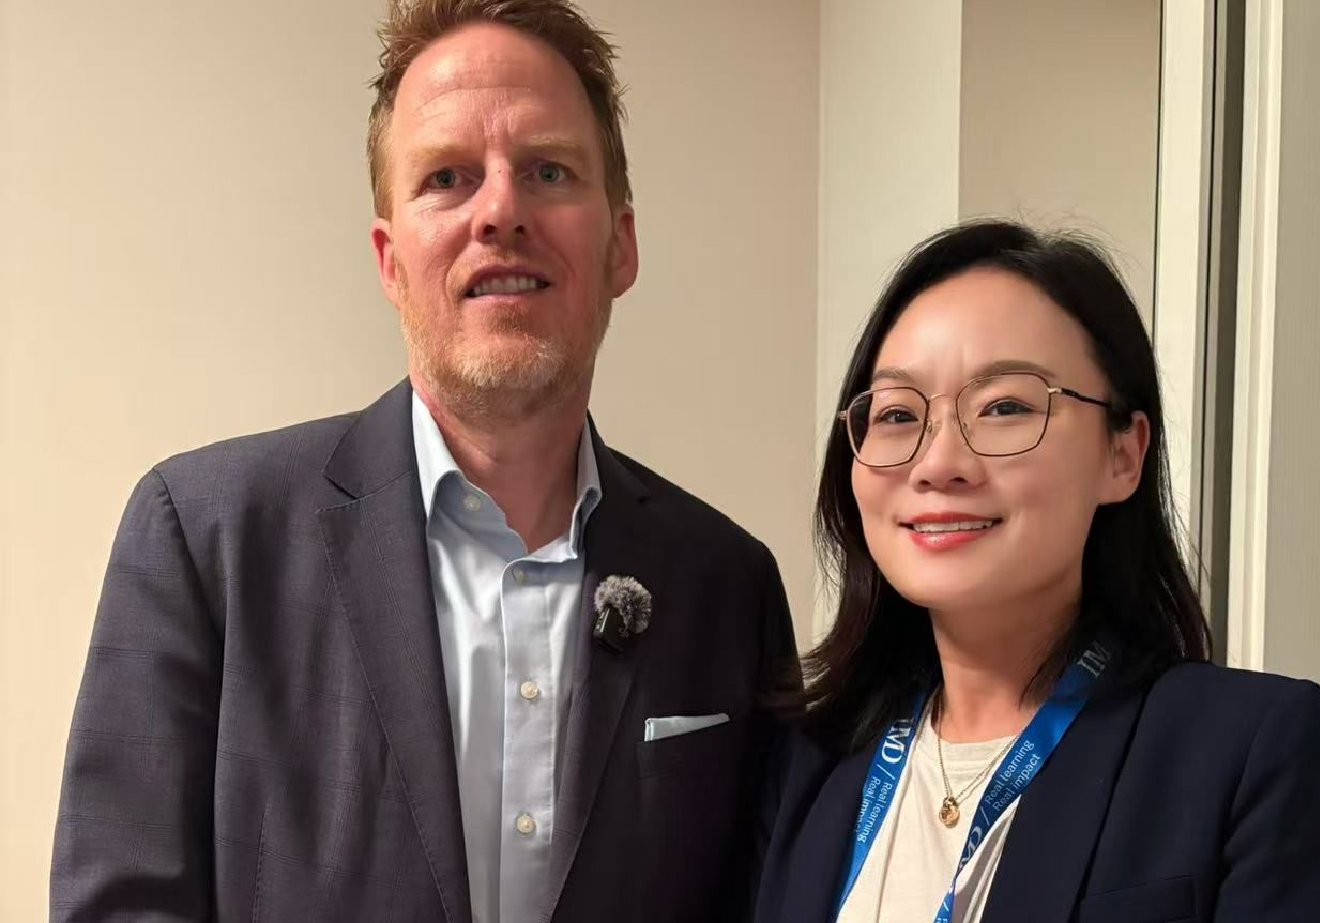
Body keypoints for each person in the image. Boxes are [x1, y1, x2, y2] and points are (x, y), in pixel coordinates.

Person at [50, 2, 796, 920]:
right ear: (390, 259)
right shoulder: (205, 541)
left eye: (549, 170)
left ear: (621, 245)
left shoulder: (729, 585)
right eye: (447, 177)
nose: (501, 211)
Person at [753, 220, 1320, 923]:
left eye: (1005, 407)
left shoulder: (1251, 752)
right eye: (897, 414)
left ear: (1123, 455)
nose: (938, 462)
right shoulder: (812, 766)